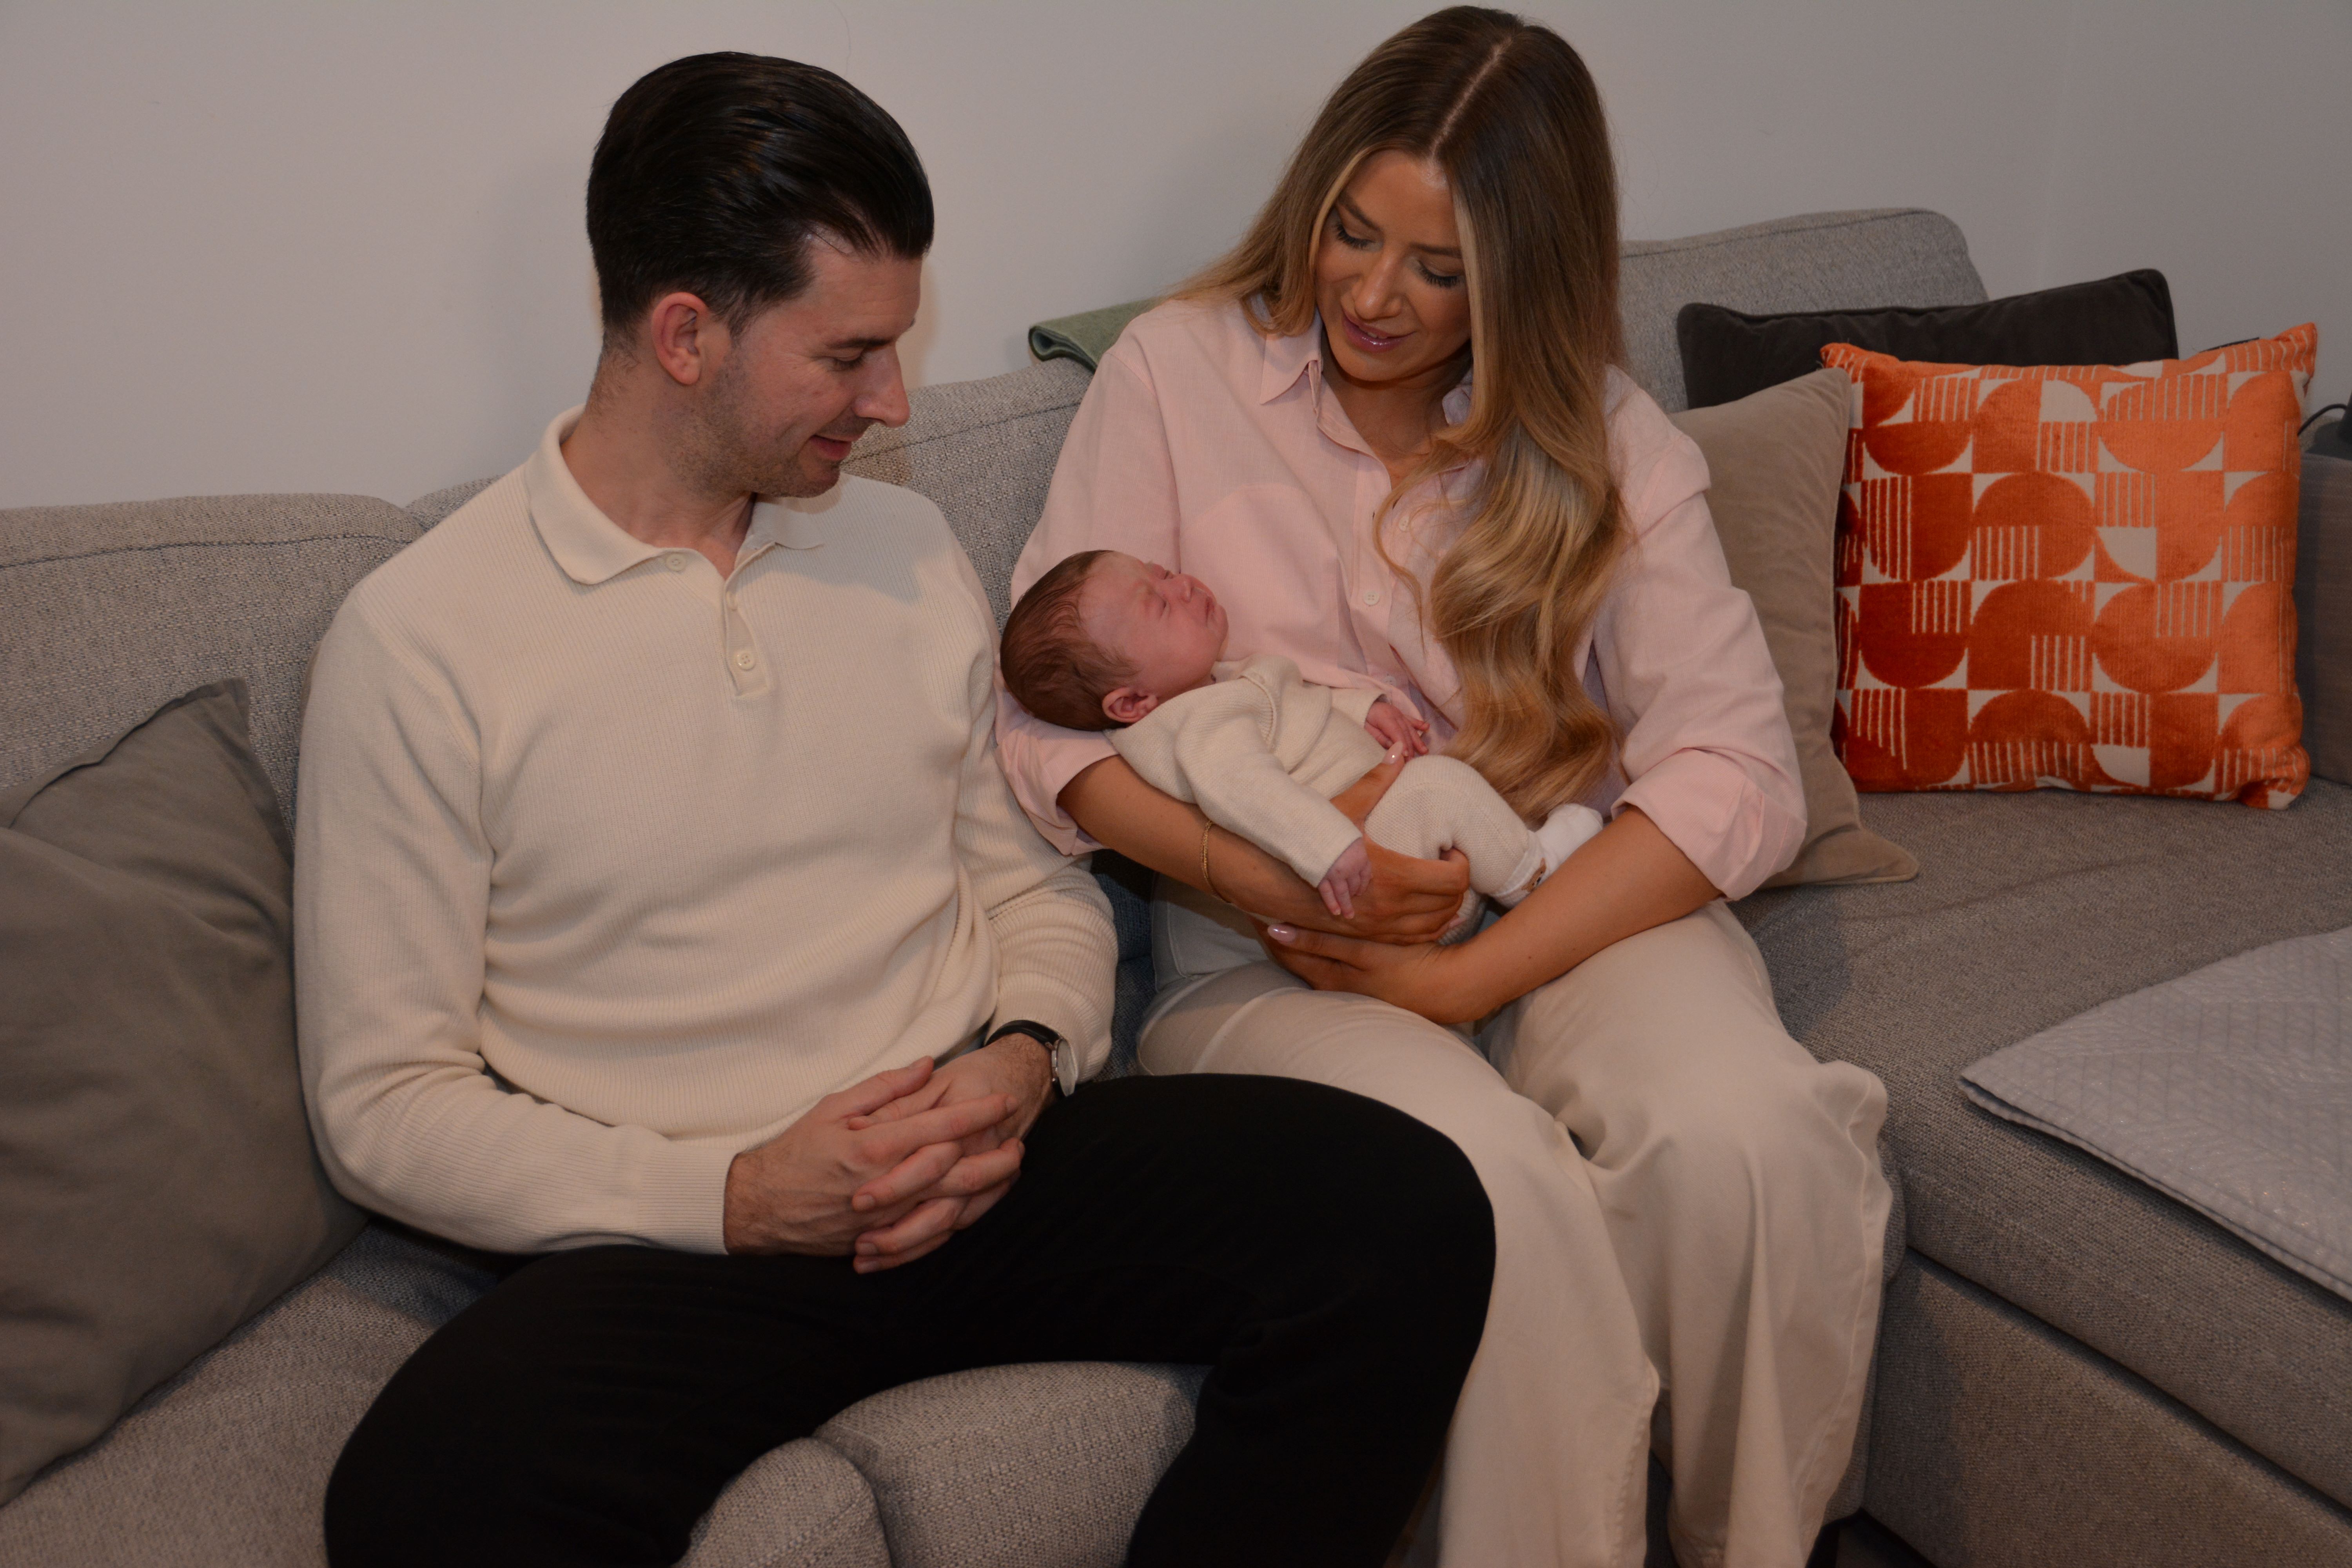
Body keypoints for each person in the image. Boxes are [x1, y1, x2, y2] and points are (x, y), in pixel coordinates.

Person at [296, 51, 1495, 1568]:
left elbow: (1036, 887)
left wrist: (1025, 1058)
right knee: (424, 1498)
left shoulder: (906, 548)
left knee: (1406, 1210)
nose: (895, 401)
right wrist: (739, 1196)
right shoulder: (422, 643)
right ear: (685, 335)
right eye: (851, 355)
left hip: (984, 1159)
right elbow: (385, 1106)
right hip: (685, 1229)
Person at [995, 9, 1892, 1567]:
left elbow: (1738, 769)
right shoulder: (1176, 374)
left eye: (1438, 268)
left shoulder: (1603, 434)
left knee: (1752, 1139)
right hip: (1272, 955)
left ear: (1523, 279)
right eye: (1351, 231)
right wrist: (1275, 876)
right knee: (1483, 1191)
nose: (1369, 295)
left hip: (1552, 894)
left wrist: (1473, 973)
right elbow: (1046, 736)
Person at [998, 547, 1602, 922]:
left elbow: (1292, 706)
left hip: (1392, 857)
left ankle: (1508, 857)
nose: (1182, 586)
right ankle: (1532, 874)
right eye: (1158, 606)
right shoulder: (1199, 727)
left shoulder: (1212, 686)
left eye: (1165, 573)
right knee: (1439, 787)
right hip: (1366, 876)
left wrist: (1360, 708)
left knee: (1437, 790)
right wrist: (1327, 848)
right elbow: (1243, 790)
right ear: (1133, 702)